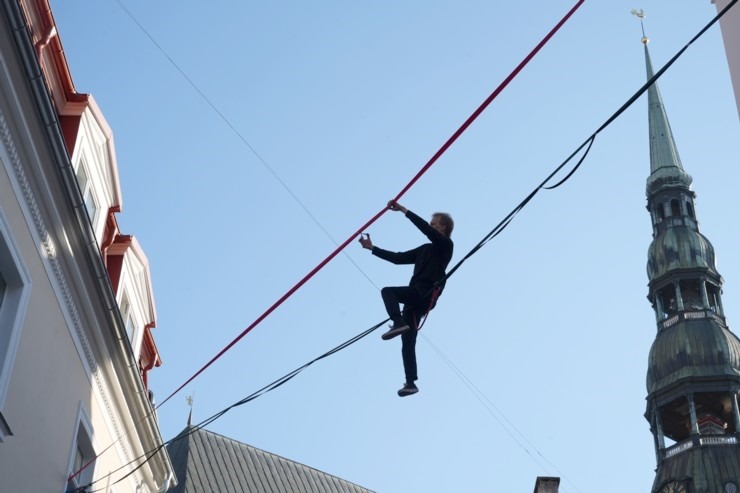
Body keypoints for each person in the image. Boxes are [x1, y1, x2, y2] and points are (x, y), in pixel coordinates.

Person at [359, 200, 454, 397]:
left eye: (434, 224)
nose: (431, 226)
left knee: (388, 291)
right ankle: (411, 383)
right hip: (414, 303)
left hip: (425, 293)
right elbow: (398, 258)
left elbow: (426, 231)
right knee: (408, 342)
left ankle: (397, 322)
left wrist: (404, 210)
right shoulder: (423, 250)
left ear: (442, 227)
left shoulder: (445, 246)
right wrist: (372, 248)